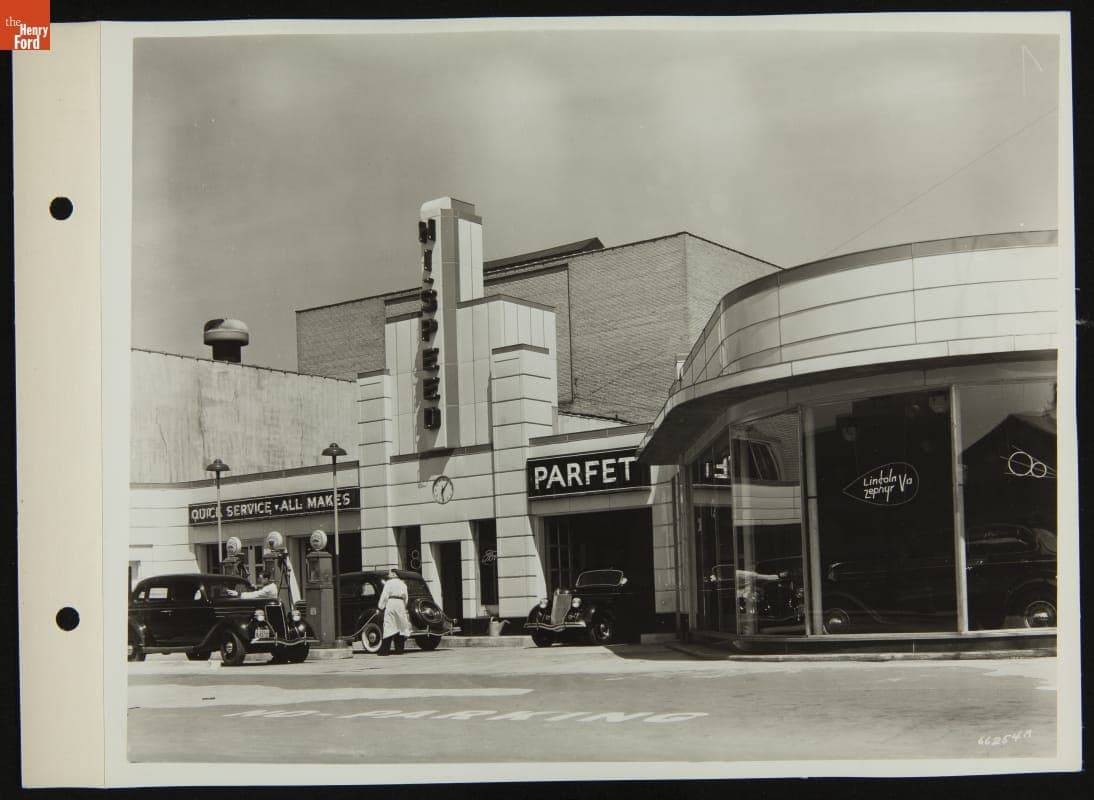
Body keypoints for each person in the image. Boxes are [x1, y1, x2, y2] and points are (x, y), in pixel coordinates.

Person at [377, 569, 411, 655]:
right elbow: (406, 597)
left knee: (389, 625)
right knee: (400, 626)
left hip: (391, 602)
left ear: (394, 574)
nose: (389, 574)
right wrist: (404, 606)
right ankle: (399, 650)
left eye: (390, 573)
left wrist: (381, 606)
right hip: (400, 604)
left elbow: (384, 595)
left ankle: (384, 650)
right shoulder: (403, 584)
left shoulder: (389, 583)